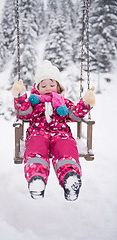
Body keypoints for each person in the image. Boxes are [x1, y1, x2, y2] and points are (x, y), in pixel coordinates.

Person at [11, 60, 95, 201]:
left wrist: (85, 103)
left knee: (66, 147)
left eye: (52, 85)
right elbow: (23, 113)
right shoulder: (34, 102)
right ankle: (36, 178)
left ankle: (70, 177)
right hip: (38, 132)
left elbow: (74, 114)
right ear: (38, 87)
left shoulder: (63, 102)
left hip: (60, 133)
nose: (48, 88)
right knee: (36, 148)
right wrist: (19, 96)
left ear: (58, 86)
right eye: (43, 85)